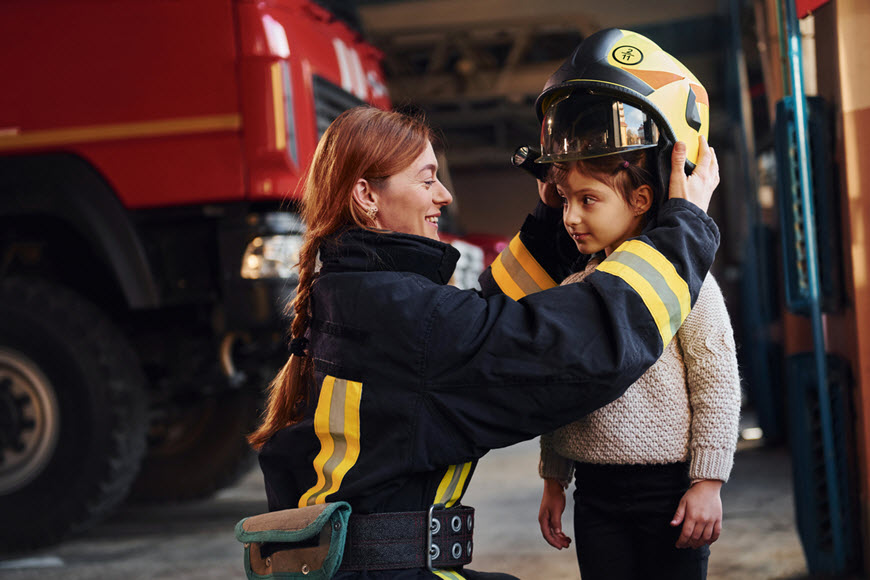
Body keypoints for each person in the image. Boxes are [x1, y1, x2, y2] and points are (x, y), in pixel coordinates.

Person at [246, 84, 719, 579]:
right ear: (366, 196)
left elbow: (480, 323)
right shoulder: (398, 312)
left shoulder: (359, 294)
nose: (444, 195)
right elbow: (573, 348)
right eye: (427, 180)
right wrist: (684, 229)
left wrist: (555, 227)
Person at [524, 29, 740, 580]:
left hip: (670, 492)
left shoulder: (688, 284)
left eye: (588, 200)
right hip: (595, 494)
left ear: (642, 198)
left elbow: (717, 380)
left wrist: (708, 483)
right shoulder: (575, 288)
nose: (570, 217)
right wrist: (555, 477)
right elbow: (564, 390)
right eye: (566, 200)